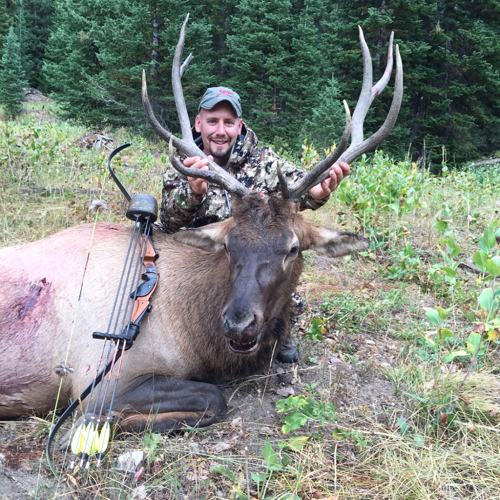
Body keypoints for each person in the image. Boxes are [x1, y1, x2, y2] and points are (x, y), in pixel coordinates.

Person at [159, 87, 350, 362]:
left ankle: (275, 331)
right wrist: (193, 192)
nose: (220, 131)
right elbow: (169, 222)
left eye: (228, 122)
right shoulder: (188, 163)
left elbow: (297, 188)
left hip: (255, 262)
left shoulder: (264, 161)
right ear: (199, 123)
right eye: (212, 121)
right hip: (202, 258)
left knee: (286, 301)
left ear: (239, 125)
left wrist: (318, 191)